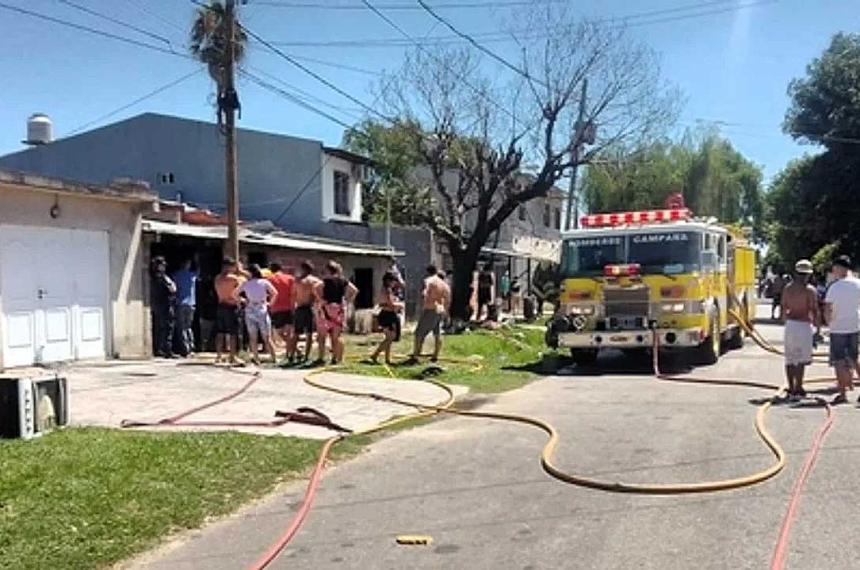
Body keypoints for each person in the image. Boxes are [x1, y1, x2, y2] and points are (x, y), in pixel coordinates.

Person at [823, 255, 860, 404]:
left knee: (838, 360)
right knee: (854, 358)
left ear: (839, 268)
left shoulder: (835, 287)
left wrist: (828, 323)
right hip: (855, 325)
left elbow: (828, 308)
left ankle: (843, 393)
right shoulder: (858, 284)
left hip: (838, 327)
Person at [781, 259, 819, 400]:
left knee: (790, 358)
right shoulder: (810, 290)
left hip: (791, 324)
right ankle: (799, 387)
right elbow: (814, 310)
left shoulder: (788, 288)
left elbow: (784, 308)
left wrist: (785, 321)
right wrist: (818, 329)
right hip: (803, 325)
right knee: (801, 359)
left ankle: (791, 387)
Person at [314, 260, 358, 365]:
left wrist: (320, 299)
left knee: (322, 336)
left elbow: (315, 287)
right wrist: (348, 301)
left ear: (328, 270)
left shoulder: (325, 281)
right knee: (336, 336)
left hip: (326, 309)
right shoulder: (343, 281)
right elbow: (355, 290)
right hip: (339, 309)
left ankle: (321, 357)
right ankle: (335, 358)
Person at [409, 264, 451, 363]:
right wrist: (445, 311)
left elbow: (424, 292)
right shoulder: (444, 284)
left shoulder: (429, 281)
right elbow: (448, 298)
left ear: (428, 272)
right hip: (440, 309)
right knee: (437, 333)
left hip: (430, 308)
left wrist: (421, 305)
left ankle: (415, 355)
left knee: (419, 333)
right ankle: (435, 355)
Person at [238, 264, 278, 365]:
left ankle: (256, 358)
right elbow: (275, 293)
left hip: (250, 308)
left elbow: (234, 294)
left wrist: (243, 300)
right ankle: (274, 358)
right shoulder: (264, 282)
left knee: (253, 336)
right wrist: (270, 304)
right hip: (261, 308)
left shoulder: (246, 284)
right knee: (267, 336)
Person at [214, 257, 245, 365]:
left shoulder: (217, 278)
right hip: (231, 307)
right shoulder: (234, 279)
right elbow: (244, 284)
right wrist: (241, 271)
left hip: (221, 305)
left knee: (220, 332)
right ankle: (232, 356)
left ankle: (218, 356)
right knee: (233, 333)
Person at [370, 272, 404, 365]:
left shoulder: (385, 289)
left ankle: (387, 359)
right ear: (389, 281)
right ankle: (375, 354)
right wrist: (400, 305)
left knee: (389, 338)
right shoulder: (387, 290)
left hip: (387, 314)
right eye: (393, 281)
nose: (395, 283)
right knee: (390, 338)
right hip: (388, 315)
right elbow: (391, 304)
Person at [268, 262, 296, 364]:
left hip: (276, 308)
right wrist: (293, 307)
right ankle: (292, 352)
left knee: (279, 332)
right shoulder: (290, 278)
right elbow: (293, 294)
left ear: (271, 269)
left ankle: (291, 351)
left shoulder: (269, 279)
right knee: (289, 333)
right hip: (288, 307)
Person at [293, 260, 322, 363]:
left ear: (303, 269)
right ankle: (306, 356)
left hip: (300, 307)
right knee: (309, 333)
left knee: (296, 333)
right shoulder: (315, 281)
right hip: (309, 307)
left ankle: (291, 355)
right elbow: (319, 295)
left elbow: (293, 295)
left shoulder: (298, 281)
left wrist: (293, 307)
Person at [150, 256, 177, 358]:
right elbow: (172, 289)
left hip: (160, 306)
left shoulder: (155, 277)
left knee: (161, 328)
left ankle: (161, 349)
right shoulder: (161, 278)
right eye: (162, 265)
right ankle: (166, 350)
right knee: (167, 328)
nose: (164, 267)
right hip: (165, 305)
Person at [172, 259, 198, 357]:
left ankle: (185, 348)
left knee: (182, 327)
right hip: (191, 304)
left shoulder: (177, 275)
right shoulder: (193, 275)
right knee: (188, 326)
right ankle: (191, 347)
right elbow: (199, 274)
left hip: (180, 303)